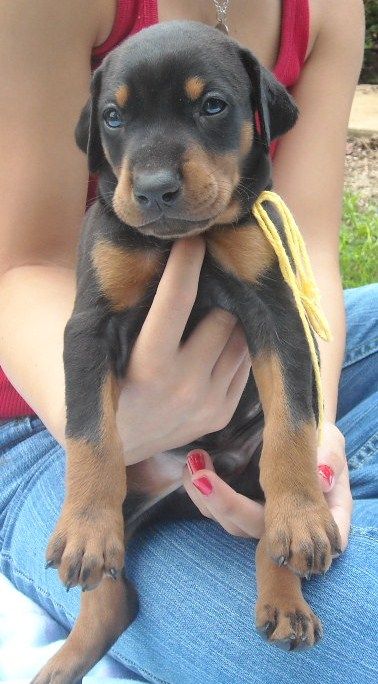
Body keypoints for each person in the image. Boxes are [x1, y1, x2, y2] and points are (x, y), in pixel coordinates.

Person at [0, 0, 376, 682]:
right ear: (97, 137)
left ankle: (281, 547)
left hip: (245, 413)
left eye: (207, 110)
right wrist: (105, 468)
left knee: (292, 460)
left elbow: (302, 271)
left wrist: (305, 461)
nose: (153, 175)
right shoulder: (118, 234)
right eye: (119, 120)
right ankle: (101, 608)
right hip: (43, 425)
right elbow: (37, 288)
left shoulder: (327, 11)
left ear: (260, 115)